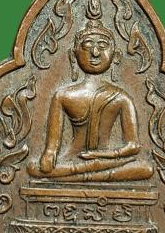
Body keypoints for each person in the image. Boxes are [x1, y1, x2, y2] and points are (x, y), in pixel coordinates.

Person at [28, 19, 153, 182]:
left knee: (146, 169)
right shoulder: (63, 95)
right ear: (73, 55)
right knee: (33, 167)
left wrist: (102, 155)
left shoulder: (121, 97)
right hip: (72, 160)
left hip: (106, 160)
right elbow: (51, 148)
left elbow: (134, 146)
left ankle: (79, 176)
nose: (95, 52)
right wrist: (48, 156)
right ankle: (92, 175)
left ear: (116, 56)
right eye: (87, 46)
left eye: (102, 46)